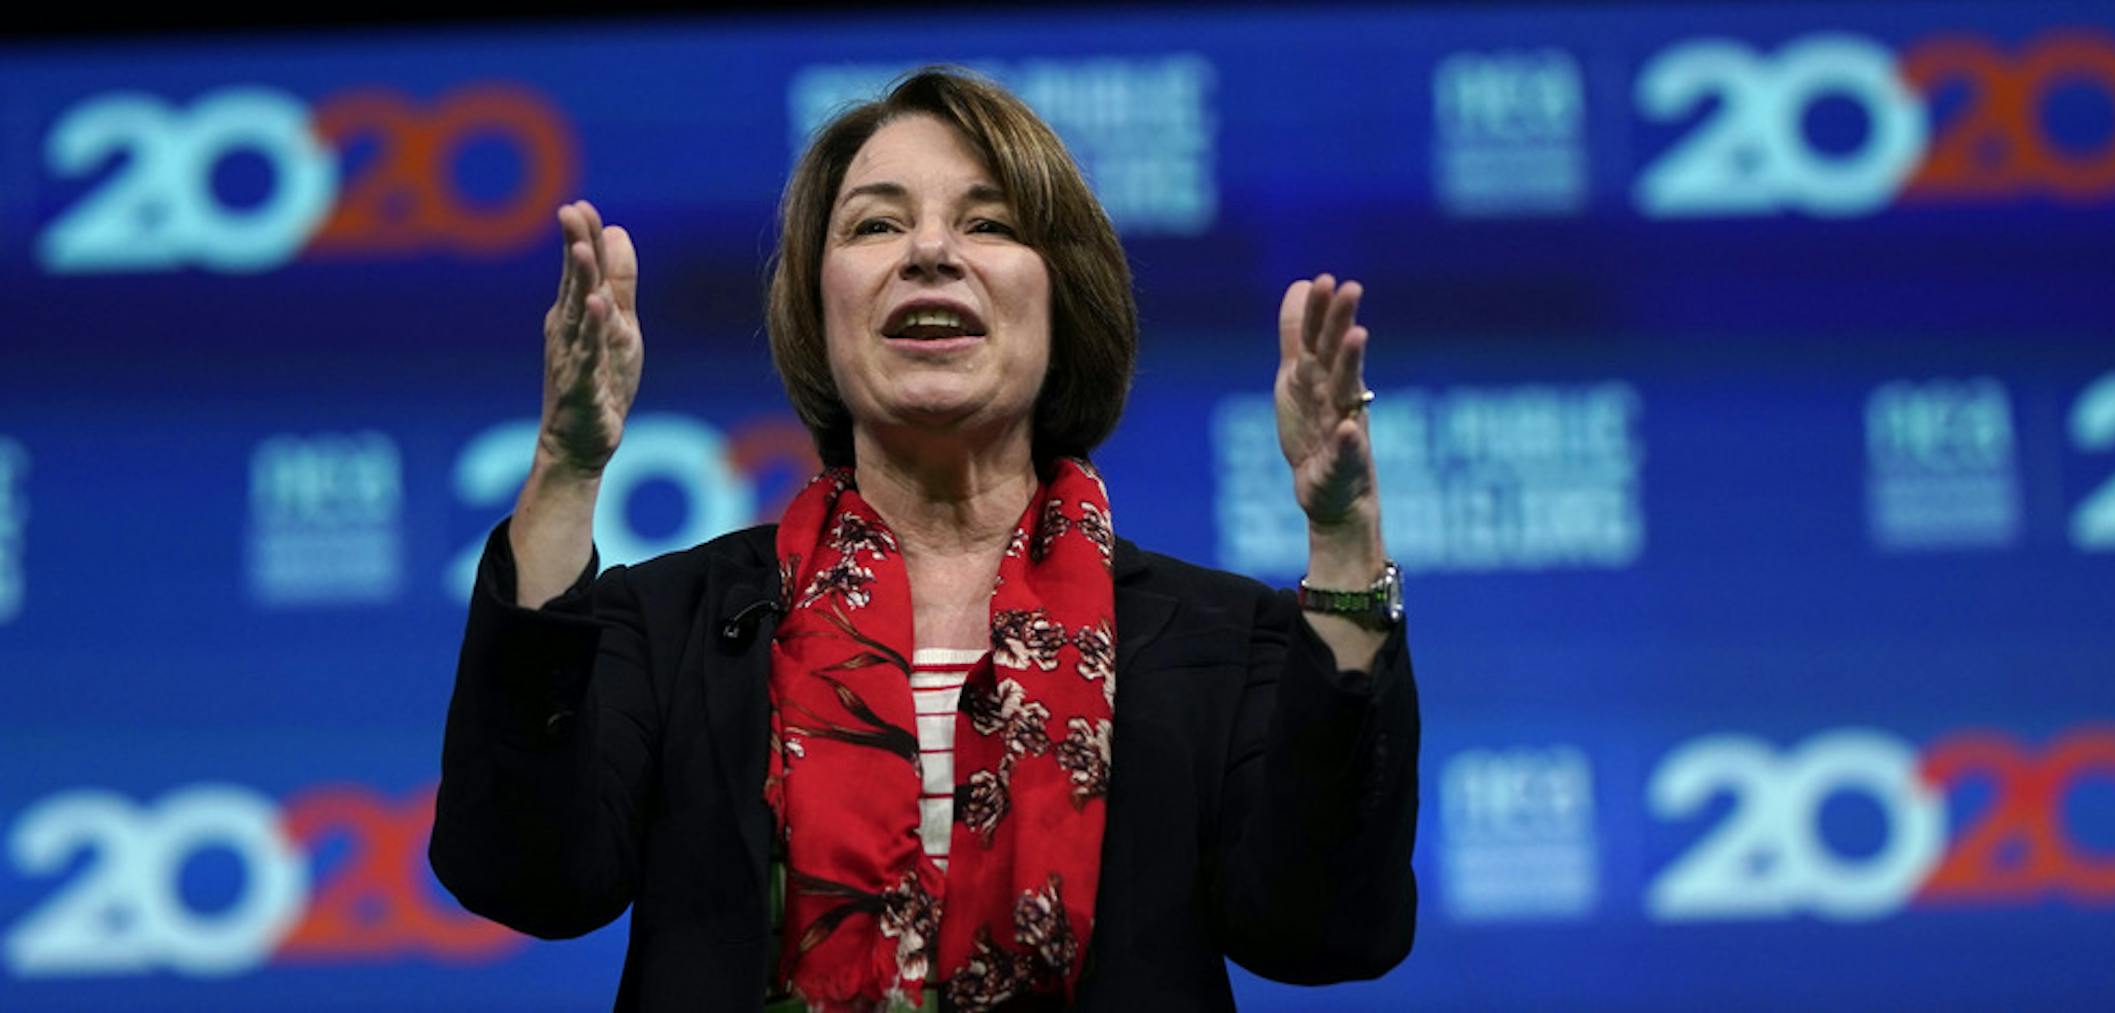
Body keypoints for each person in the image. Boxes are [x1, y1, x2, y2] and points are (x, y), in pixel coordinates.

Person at [431, 67, 1417, 1012]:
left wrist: (1342, 541)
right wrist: (567, 467)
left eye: (986, 223)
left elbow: (1326, 927)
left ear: (1061, 299)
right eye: (876, 224)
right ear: (821, 310)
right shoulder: (675, 620)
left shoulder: (1217, 637)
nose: (930, 251)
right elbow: (523, 874)